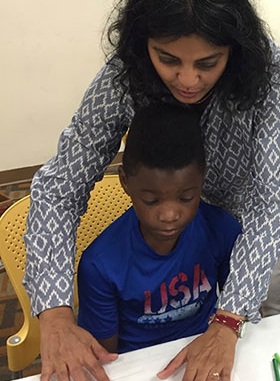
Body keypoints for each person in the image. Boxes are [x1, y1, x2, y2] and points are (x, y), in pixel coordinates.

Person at [24, 0, 280, 381]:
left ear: (234, 49)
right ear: (143, 45)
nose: (188, 80)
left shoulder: (265, 71)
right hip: (181, 221)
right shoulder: (123, 76)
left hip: (257, 217)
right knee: (171, 327)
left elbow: (274, 199)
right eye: (168, 59)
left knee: (269, 330)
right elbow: (59, 189)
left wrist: (230, 319)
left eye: (207, 63)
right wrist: (57, 313)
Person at [77, 104, 241, 354]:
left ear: (201, 179)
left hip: (206, 349)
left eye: (186, 197)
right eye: (152, 200)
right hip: (137, 365)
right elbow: (105, 357)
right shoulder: (99, 265)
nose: (169, 215)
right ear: (125, 182)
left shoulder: (221, 230)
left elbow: (238, 305)